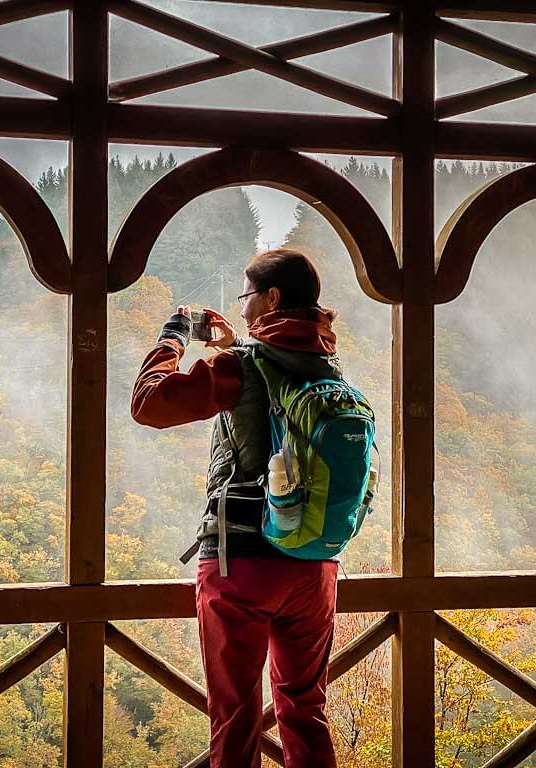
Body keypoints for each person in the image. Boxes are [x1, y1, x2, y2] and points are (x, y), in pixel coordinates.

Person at [131, 248, 341, 768]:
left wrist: (173, 339)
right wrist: (237, 346)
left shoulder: (240, 366)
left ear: (271, 298)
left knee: (235, 714)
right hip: (315, 563)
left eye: (247, 296)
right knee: (306, 709)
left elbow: (149, 404)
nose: (242, 307)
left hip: (241, 561)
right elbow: (269, 379)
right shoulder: (328, 367)